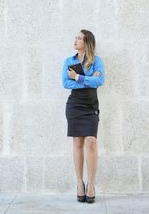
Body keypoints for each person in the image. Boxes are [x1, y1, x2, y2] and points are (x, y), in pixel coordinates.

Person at [61, 29, 105, 204]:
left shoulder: (97, 61)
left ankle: (91, 184)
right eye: (75, 38)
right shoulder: (68, 61)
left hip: (90, 106)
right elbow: (65, 82)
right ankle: (79, 183)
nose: (75, 40)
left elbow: (99, 82)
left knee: (91, 141)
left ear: (87, 42)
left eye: (79, 38)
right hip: (74, 105)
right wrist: (88, 79)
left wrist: (78, 77)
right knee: (77, 142)